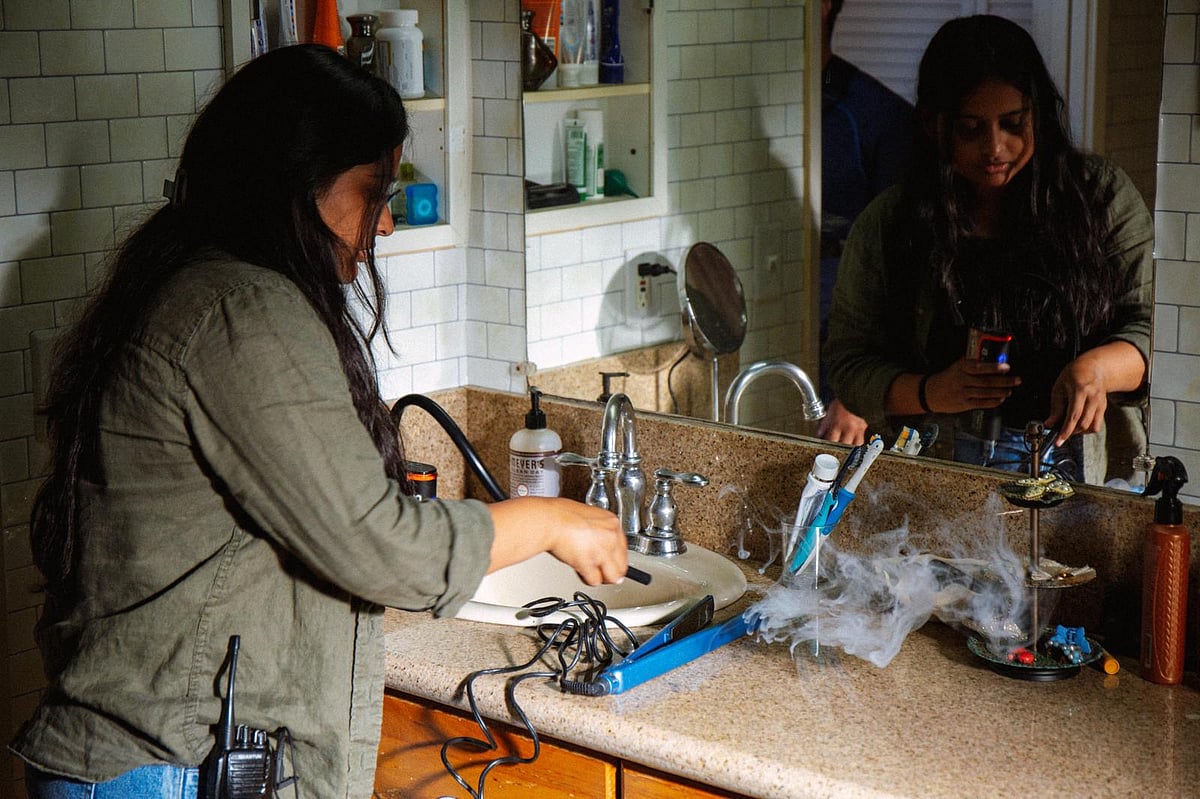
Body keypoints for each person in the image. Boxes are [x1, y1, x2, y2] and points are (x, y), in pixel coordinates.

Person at [10, 45, 628, 799]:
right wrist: (551, 518)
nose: (389, 223)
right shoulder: (243, 310)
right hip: (168, 771)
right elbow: (377, 547)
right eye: (376, 189)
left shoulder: (192, 280)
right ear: (299, 179)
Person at [823, 15, 1153, 480]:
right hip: (944, 468)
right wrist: (932, 392)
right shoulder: (891, 223)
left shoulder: (1101, 198)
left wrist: (1096, 370)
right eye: (971, 129)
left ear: (1038, 112)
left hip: (1088, 465)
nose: (995, 148)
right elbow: (849, 364)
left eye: (1013, 123)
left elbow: (1153, 330)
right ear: (934, 125)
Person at [815, 0, 915, 444]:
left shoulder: (878, 118)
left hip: (851, 354)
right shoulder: (760, 103)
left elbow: (904, 268)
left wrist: (856, 393)